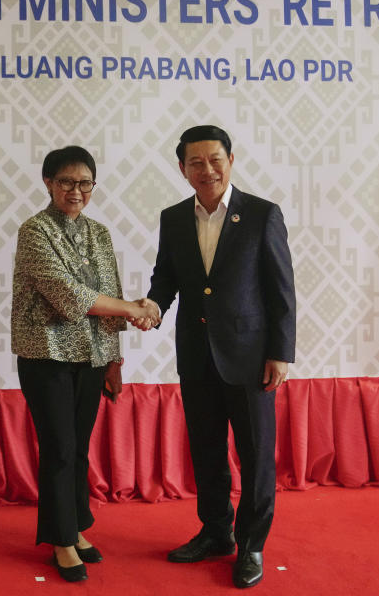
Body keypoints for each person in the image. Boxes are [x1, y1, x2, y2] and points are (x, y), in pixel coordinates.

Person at [141, 125, 295, 588]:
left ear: (231, 159)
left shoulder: (262, 214)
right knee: (206, 452)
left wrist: (280, 353)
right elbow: (166, 278)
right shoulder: (172, 218)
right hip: (196, 356)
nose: (205, 169)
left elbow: (280, 290)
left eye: (214, 159)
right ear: (183, 168)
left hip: (250, 359)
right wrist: (151, 306)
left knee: (255, 456)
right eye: (195, 162)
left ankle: (250, 545)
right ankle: (215, 533)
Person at [11, 145, 160, 583]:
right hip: (47, 356)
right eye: (66, 182)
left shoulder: (99, 234)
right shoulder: (34, 231)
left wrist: (114, 361)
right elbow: (70, 295)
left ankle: (75, 528)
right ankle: (59, 539)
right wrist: (135, 308)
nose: (75, 191)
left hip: (91, 358)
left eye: (84, 183)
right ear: (48, 183)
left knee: (77, 448)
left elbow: (107, 291)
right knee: (58, 448)